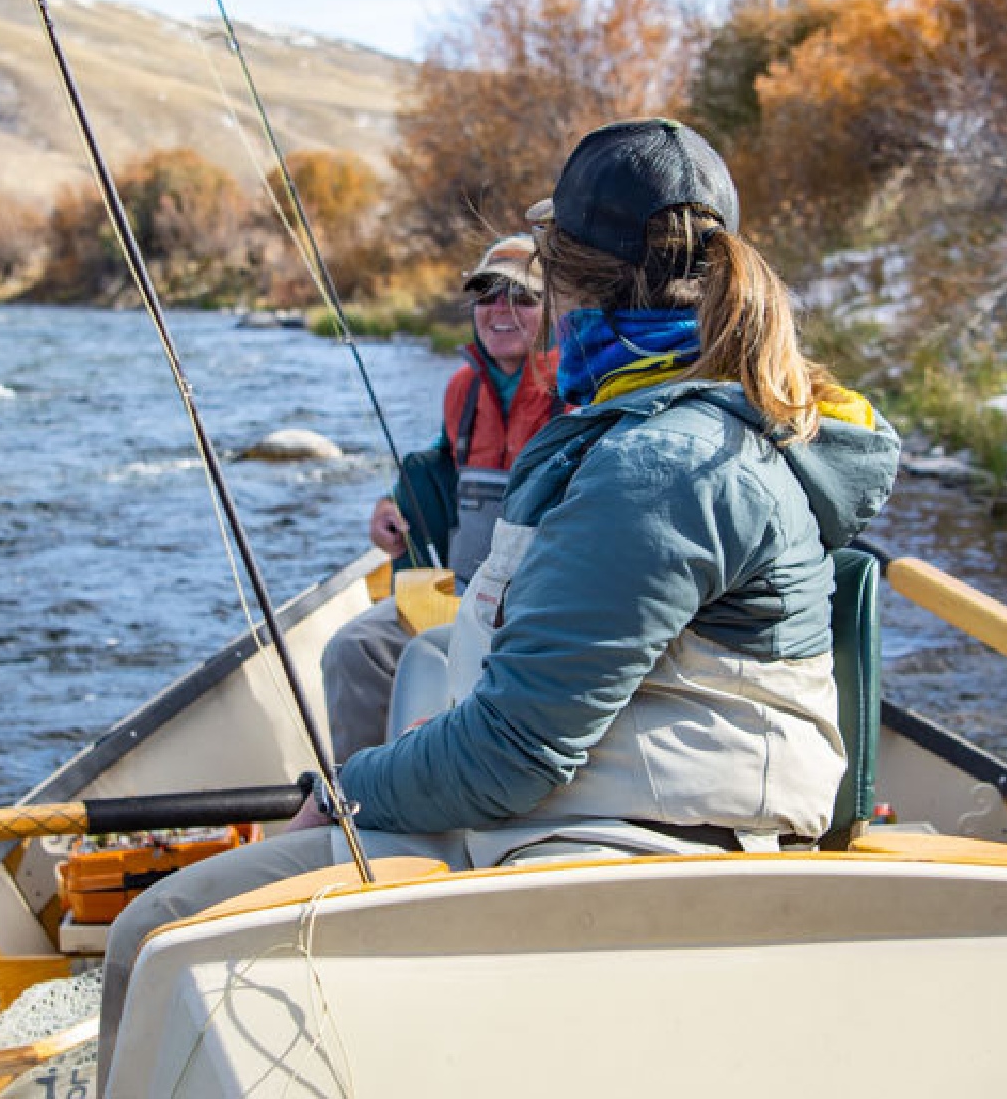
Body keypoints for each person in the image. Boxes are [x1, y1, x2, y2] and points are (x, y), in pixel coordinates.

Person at [97, 118, 899, 1087]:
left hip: (615, 849)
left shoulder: (660, 463)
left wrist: (349, 792)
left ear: (568, 281)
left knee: (153, 933)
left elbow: (518, 752)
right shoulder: (690, 423)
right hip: (606, 814)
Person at [321, 233, 560, 762]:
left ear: (553, 308)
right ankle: (363, 798)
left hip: (540, 607)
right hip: (465, 592)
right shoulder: (461, 389)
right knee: (353, 650)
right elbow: (443, 459)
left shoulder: (580, 384)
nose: (502, 310)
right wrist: (391, 506)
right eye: (487, 295)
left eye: (522, 297)